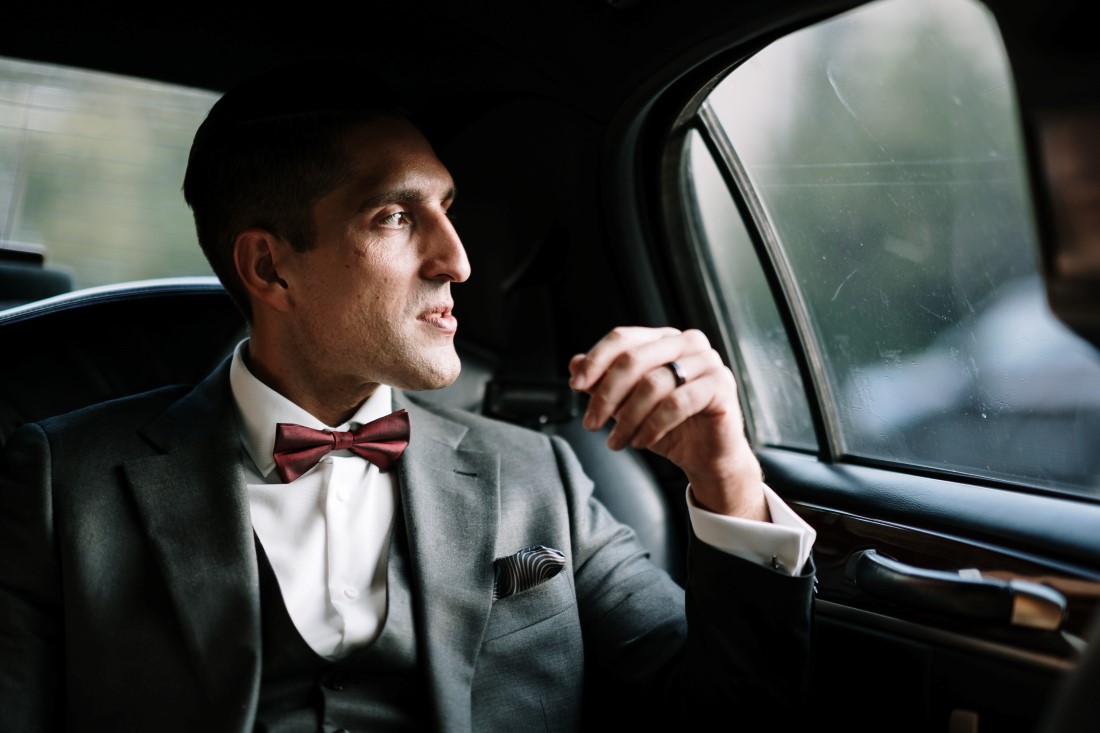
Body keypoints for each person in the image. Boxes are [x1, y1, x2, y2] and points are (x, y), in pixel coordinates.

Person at [0, 65, 816, 732]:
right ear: (270, 268)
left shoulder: (539, 477)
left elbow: (734, 718)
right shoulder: (57, 482)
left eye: (448, 209)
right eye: (395, 215)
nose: (458, 259)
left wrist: (727, 473)